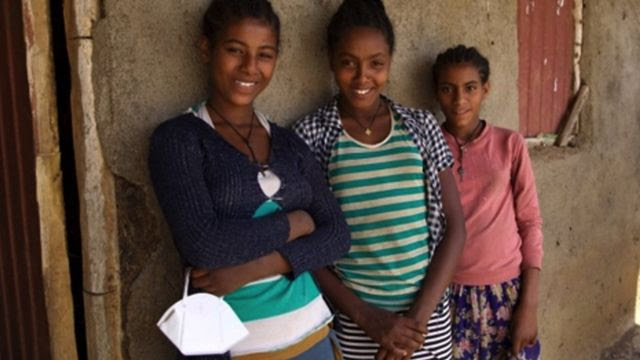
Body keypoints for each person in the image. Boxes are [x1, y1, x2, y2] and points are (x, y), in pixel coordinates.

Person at [148, 1, 350, 359]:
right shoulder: (180, 139)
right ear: (207, 48)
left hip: (313, 337)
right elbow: (204, 245)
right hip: (232, 347)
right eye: (235, 51)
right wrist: (297, 222)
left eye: (264, 54)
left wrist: (253, 267)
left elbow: (336, 236)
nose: (250, 68)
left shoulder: (289, 143)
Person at [293, 1, 466, 359]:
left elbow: (456, 227)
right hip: (357, 323)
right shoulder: (311, 135)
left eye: (376, 63)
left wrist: (415, 322)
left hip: (426, 321)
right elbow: (305, 245)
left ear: (390, 61)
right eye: (348, 63)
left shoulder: (420, 126)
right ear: (330, 61)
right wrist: (369, 319)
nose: (362, 77)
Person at [433, 44, 543, 360]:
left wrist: (529, 304)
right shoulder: (428, 147)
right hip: (447, 294)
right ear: (436, 93)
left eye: (470, 88)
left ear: (486, 89)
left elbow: (530, 221)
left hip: (506, 293)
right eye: (447, 89)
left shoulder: (510, 145)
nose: (459, 99)